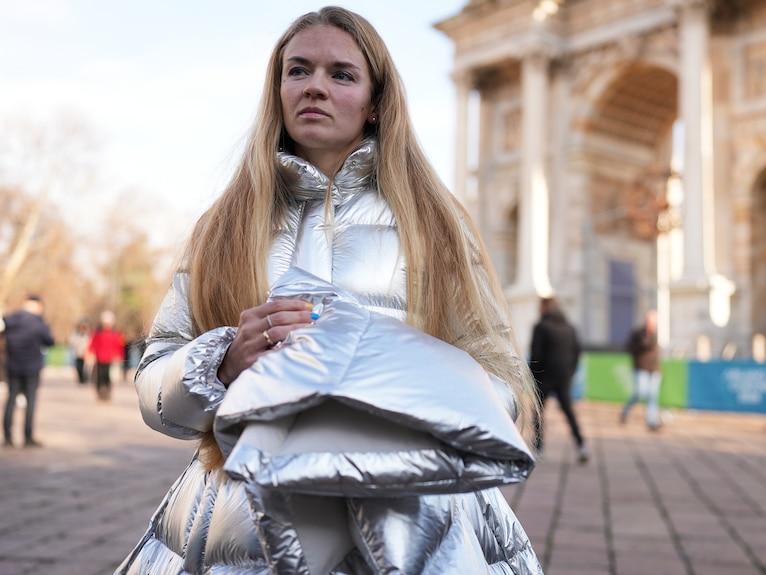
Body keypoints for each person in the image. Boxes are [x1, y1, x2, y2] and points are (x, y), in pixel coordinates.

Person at [115, 7, 542, 575]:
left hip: (417, 513)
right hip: (242, 522)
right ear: (278, 90)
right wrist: (220, 363)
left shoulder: (439, 223)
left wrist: (403, 381)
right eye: (298, 70)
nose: (315, 85)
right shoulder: (222, 226)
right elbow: (154, 387)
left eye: (341, 74)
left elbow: (503, 384)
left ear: (376, 102)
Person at [529, 297, 589, 463]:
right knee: (568, 411)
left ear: (544, 307)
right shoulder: (570, 328)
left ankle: (539, 448)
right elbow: (577, 352)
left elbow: (536, 355)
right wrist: (569, 372)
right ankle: (581, 444)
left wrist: (532, 376)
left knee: (539, 413)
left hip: (544, 376)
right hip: (564, 377)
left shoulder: (541, 327)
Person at [2, 295, 55, 448]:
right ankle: (28, 437)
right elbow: (50, 341)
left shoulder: (9, 320)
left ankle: (8, 437)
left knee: (11, 400)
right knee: (30, 401)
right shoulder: (38, 323)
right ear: (37, 306)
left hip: (13, 366)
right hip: (32, 367)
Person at [620, 309, 663, 430]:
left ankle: (652, 422)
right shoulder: (638, 334)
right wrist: (643, 341)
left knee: (652, 396)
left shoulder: (655, 334)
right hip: (641, 368)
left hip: (654, 369)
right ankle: (625, 411)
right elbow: (631, 347)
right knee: (640, 393)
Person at [87, 311, 125, 401]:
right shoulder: (97, 333)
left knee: (108, 377)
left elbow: (120, 346)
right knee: (99, 376)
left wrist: (120, 356)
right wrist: (90, 353)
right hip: (99, 358)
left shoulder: (117, 333)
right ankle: (99, 392)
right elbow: (92, 343)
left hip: (110, 359)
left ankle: (107, 392)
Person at [68, 319, 92, 385]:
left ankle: (85, 379)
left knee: (86, 368)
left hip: (86, 354)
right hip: (78, 354)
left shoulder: (89, 335)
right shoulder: (76, 335)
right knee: (79, 367)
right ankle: (80, 378)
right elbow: (72, 342)